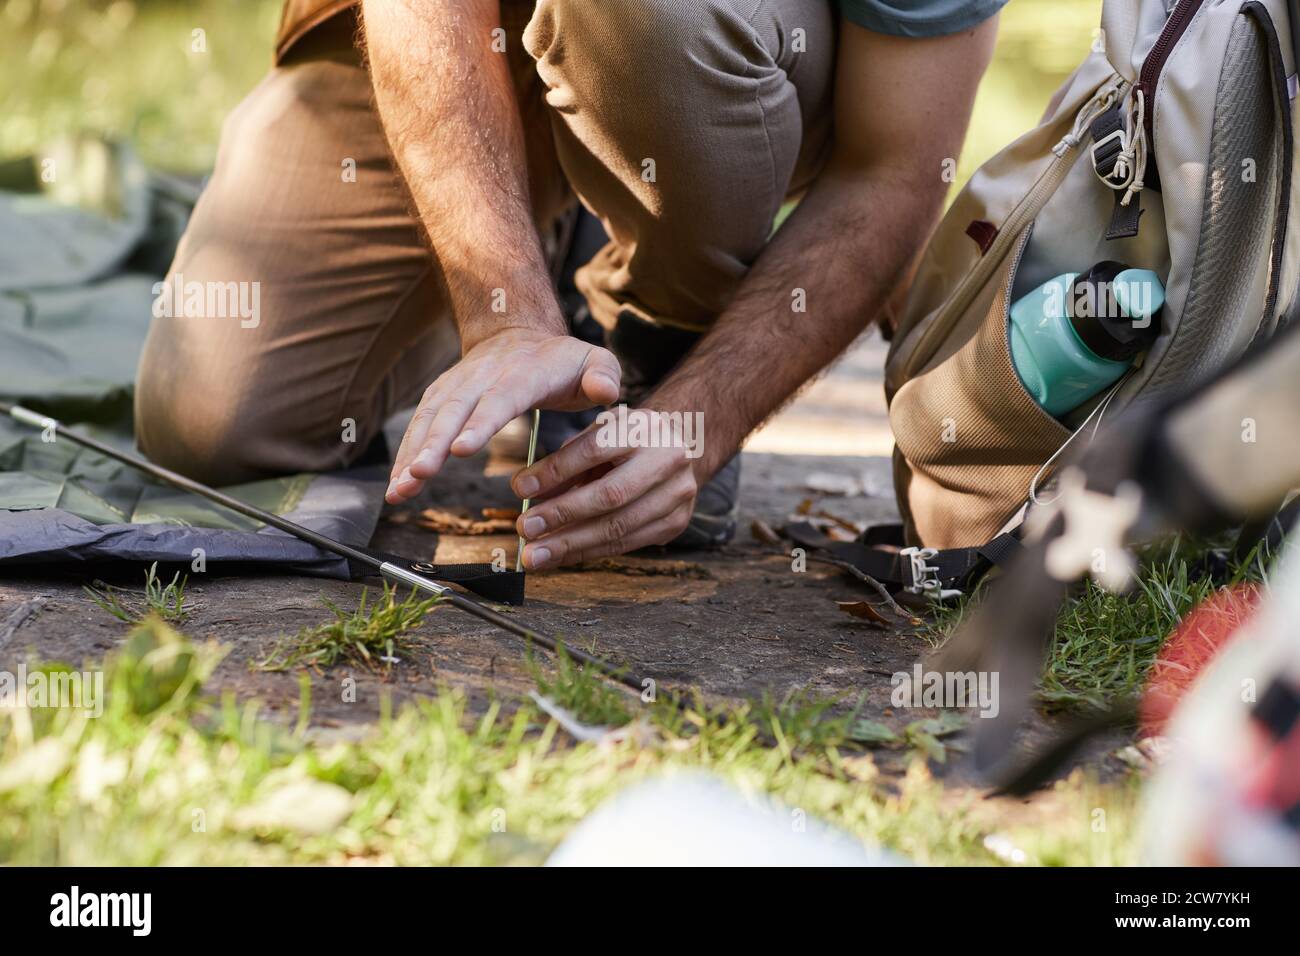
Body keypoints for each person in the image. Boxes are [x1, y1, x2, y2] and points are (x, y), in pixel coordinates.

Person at [135, 0, 1002, 570]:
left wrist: (704, 419)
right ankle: (544, 247)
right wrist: (499, 307)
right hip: (453, 36)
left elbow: (894, 171)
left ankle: (657, 341)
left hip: (719, 44)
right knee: (215, 423)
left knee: (651, 17)